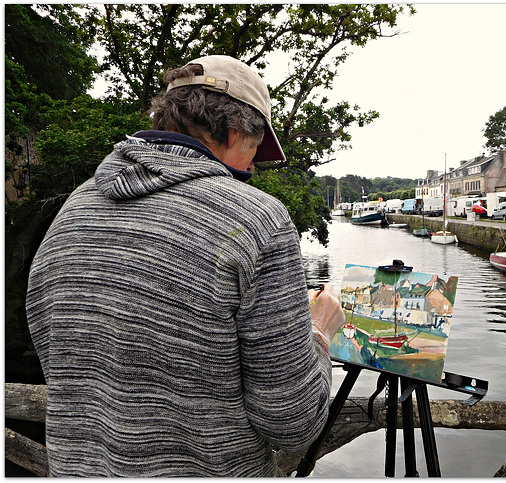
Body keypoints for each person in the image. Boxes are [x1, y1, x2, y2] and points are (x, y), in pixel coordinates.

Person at [25, 55, 345, 477]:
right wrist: (318, 329)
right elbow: (292, 422)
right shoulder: (258, 220)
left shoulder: (74, 207)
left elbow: (54, 346)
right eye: (256, 147)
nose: (254, 166)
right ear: (235, 131)